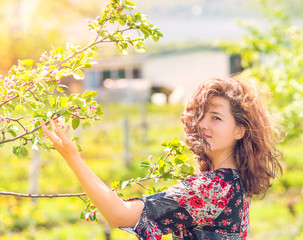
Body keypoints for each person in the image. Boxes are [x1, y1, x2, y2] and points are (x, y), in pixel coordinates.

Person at [41, 76, 283, 240]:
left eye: (216, 117)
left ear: (240, 130)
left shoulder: (212, 188)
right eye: (201, 115)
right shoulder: (235, 182)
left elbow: (119, 214)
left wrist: (71, 156)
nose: (202, 124)